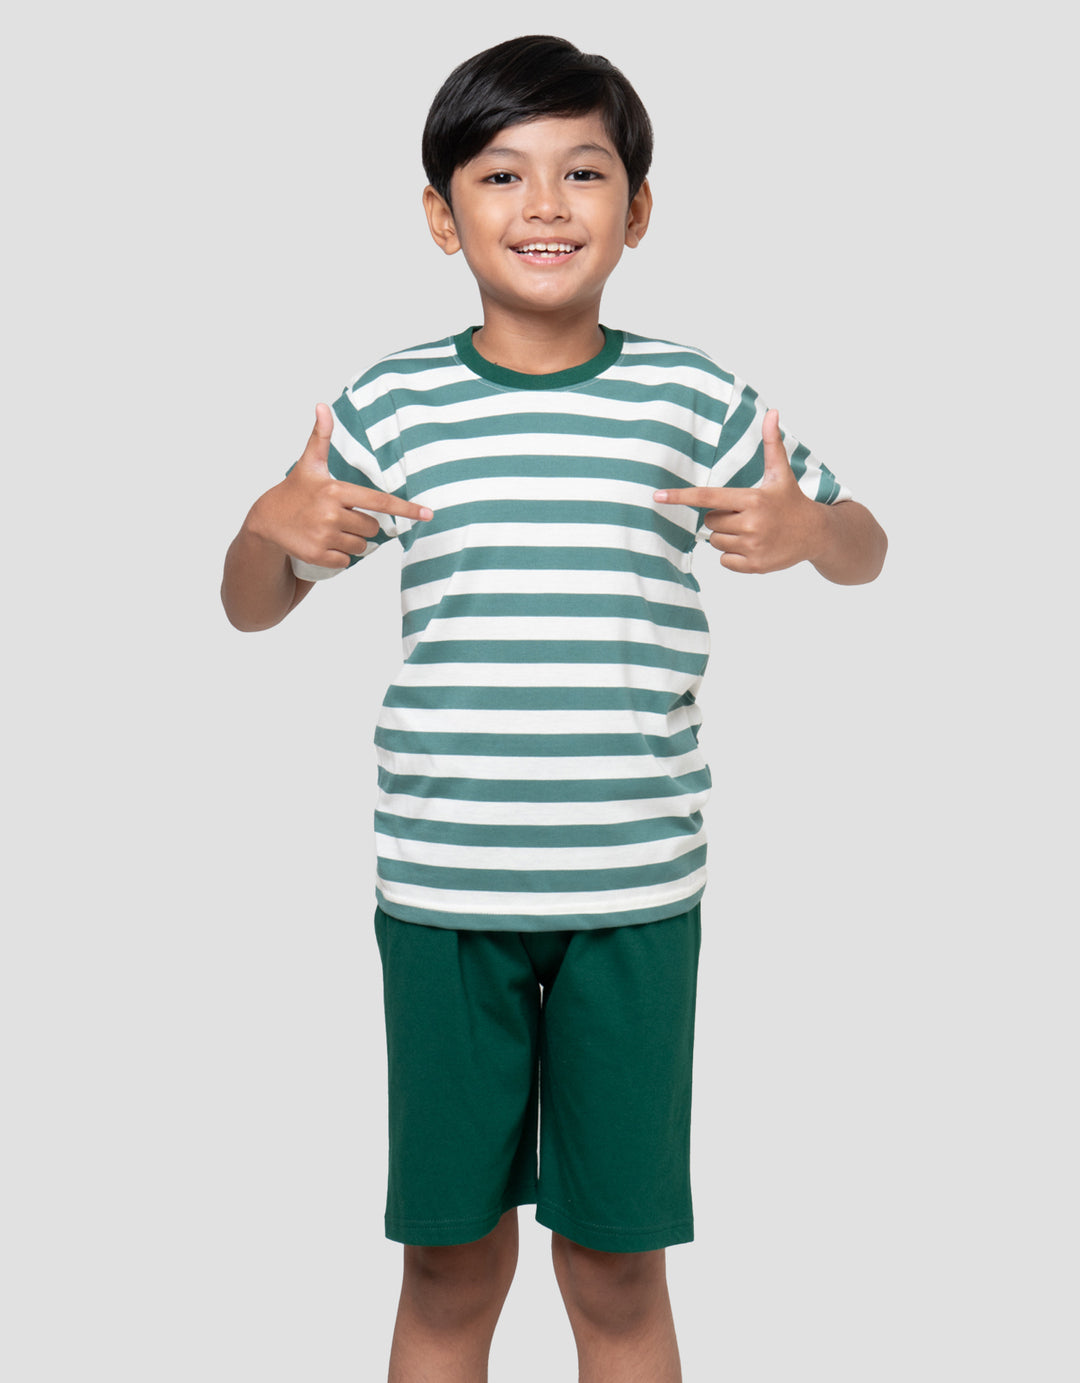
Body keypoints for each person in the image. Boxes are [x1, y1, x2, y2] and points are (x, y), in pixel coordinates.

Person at [221, 33, 887, 1383]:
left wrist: (811, 530)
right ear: (441, 214)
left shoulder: (693, 394)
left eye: (584, 173)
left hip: (633, 892)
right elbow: (253, 604)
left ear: (636, 212)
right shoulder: (390, 401)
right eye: (500, 174)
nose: (544, 205)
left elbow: (865, 542)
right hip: (443, 893)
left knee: (615, 1265)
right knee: (450, 1263)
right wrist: (266, 525)